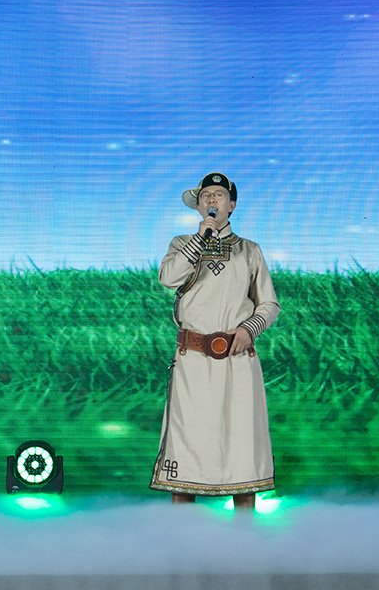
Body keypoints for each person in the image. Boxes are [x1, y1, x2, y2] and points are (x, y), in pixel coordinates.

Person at [151, 172, 280, 512]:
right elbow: (168, 278)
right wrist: (199, 240)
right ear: (198, 207)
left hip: (238, 360)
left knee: (241, 442)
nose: (211, 199)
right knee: (187, 442)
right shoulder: (181, 244)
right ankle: (183, 534)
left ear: (231, 205)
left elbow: (269, 304)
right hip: (193, 360)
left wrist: (249, 329)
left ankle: (244, 532)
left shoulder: (250, 251)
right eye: (205, 195)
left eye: (219, 195)